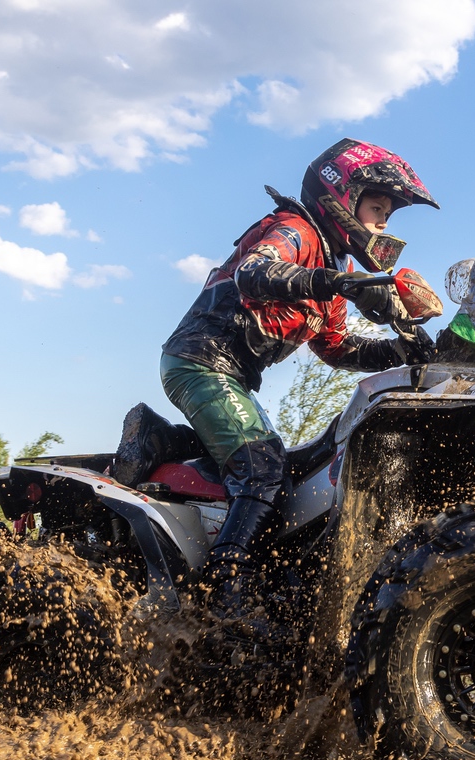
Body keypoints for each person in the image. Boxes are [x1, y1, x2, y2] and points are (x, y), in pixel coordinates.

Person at [116, 138, 442, 614]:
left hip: (230, 374)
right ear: (343, 195)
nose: (383, 224)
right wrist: (341, 284)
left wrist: (403, 350)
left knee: (283, 469)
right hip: (202, 359)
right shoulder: (296, 230)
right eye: (378, 208)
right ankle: (224, 591)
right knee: (262, 471)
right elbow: (254, 272)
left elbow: (336, 347)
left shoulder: (335, 263)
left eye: (388, 214)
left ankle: (162, 443)